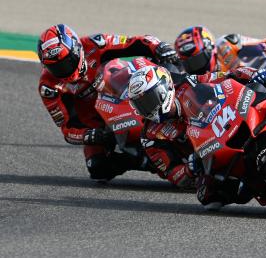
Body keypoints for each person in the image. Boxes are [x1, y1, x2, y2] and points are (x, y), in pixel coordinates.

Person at [127, 62, 266, 209]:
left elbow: (226, 76)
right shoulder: (151, 136)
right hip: (210, 159)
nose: (149, 108)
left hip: (229, 124)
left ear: (164, 88)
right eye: (141, 104)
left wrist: (255, 74)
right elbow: (172, 173)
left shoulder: (189, 84)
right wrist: (189, 169)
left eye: (150, 99)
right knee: (208, 198)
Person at [37, 24, 178, 181]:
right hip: (99, 126)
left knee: (171, 65)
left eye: (67, 61)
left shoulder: (95, 44)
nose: (64, 70)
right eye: (55, 67)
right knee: (98, 169)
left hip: (127, 94)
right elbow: (67, 130)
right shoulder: (48, 88)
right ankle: (147, 161)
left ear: (77, 50)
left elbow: (136, 42)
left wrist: (160, 47)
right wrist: (89, 135)